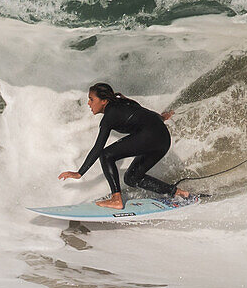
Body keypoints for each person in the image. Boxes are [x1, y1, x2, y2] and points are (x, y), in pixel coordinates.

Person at [58, 82, 191, 209]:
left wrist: (79, 173)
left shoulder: (110, 116)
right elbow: (144, 114)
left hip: (151, 136)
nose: (89, 103)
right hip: (163, 139)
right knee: (132, 178)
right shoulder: (123, 103)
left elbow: (98, 148)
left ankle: (116, 199)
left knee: (106, 155)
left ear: (103, 101)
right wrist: (161, 117)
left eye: (91, 99)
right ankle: (178, 192)